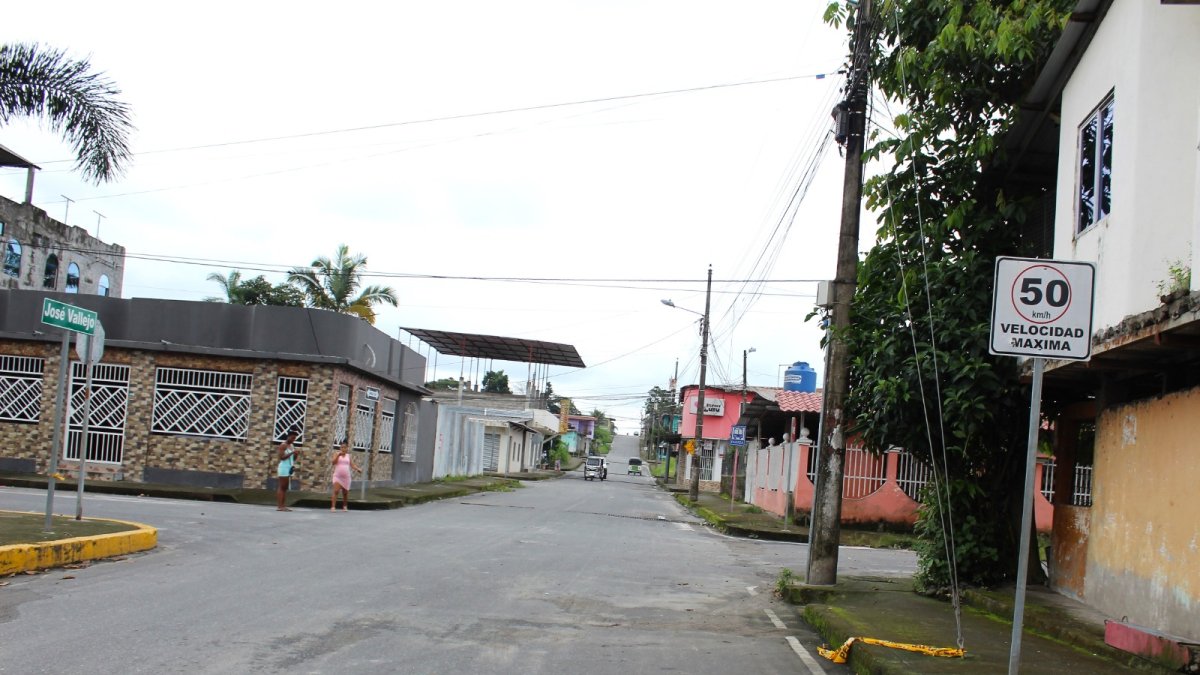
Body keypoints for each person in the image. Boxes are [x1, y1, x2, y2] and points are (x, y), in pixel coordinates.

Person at [329, 442, 359, 512]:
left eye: (345, 447)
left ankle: (345, 506)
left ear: (347, 448)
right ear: (340, 448)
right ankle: (333, 507)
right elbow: (333, 462)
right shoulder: (336, 454)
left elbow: (352, 465)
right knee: (336, 491)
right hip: (337, 476)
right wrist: (338, 456)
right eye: (342, 447)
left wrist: (357, 469)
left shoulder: (348, 456)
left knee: (345, 493)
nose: (343, 449)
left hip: (346, 477)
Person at [276, 427, 300, 511]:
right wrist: (292, 452)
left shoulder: (291, 446)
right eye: (292, 438)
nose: (293, 440)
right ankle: (280, 506)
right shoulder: (283, 445)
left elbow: (293, 459)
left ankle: (283, 505)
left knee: (285, 488)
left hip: (289, 468)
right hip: (283, 468)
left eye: (294, 438)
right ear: (288, 436)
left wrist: (296, 454)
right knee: (282, 487)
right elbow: (281, 457)